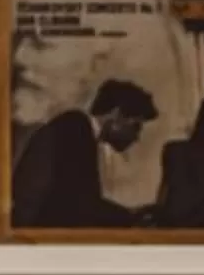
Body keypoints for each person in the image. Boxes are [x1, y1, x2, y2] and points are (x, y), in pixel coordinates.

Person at [13, 78, 156, 229]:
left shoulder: (76, 128)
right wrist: (129, 217)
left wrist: (129, 215)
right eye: (135, 126)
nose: (136, 137)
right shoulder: (75, 128)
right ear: (116, 114)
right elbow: (77, 203)